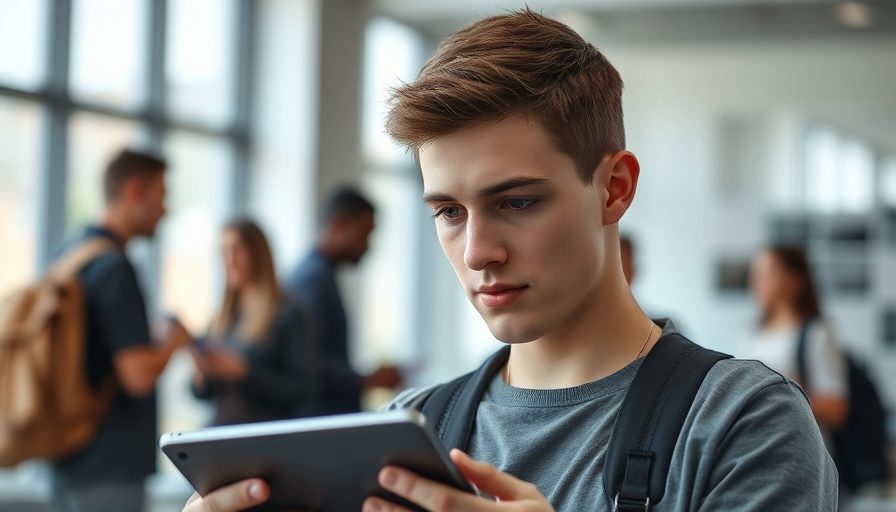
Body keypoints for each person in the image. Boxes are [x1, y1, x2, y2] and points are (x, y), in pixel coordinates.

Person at [182, 9, 836, 512]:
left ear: (613, 189)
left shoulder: (741, 424)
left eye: (517, 202)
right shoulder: (404, 430)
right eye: (448, 212)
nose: (477, 252)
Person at [51, 149, 191, 512]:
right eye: (161, 196)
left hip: (68, 457)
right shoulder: (114, 267)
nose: (165, 210)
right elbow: (138, 375)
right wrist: (173, 341)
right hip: (109, 468)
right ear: (134, 191)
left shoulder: (73, 253)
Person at [284, 187, 401, 416]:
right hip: (319, 422)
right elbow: (310, 362)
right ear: (339, 223)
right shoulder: (314, 279)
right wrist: (369, 379)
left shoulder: (318, 274)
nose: (368, 245)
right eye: (365, 233)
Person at [190, 218, 319, 425]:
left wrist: (245, 374)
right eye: (223, 251)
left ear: (257, 254)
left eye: (236, 250)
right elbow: (203, 395)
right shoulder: (222, 317)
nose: (229, 260)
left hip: (265, 441)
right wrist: (202, 374)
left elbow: (303, 391)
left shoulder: (289, 314)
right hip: (221, 435)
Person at [737, 245, 848, 441]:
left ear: (796, 280)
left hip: (800, 448)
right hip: (757, 444)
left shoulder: (816, 332)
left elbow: (836, 409)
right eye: (755, 273)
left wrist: (778, 393)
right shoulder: (750, 333)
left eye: (768, 273)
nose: (756, 282)